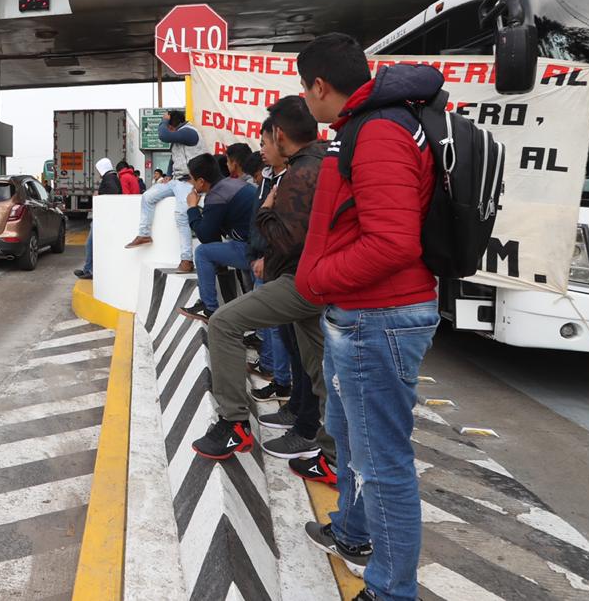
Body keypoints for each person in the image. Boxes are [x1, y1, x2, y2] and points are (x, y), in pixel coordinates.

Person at [295, 33, 441, 599]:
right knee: (352, 440)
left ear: (319, 86)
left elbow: (393, 243)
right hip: (360, 315)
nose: (304, 99)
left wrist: (316, 280)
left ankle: (390, 590)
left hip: (377, 318)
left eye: (304, 89)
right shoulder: (362, 125)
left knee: (382, 463)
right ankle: (354, 533)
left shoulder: (378, 131)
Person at [187, 96, 334, 477]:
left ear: (280, 135)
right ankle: (334, 455)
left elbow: (284, 239)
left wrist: (267, 209)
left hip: (300, 281)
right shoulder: (323, 162)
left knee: (223, 323)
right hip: (317, 280)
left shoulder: (301, 174)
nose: (263, 150)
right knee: (321, 369)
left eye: (265, 141)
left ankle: (233, 423)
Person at [124, 110, 211, 273]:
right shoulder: (179, 136)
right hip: (177, 180)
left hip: (191, 181)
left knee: (181, 216)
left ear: (172, 125)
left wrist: (164, 121)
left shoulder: (189, 132)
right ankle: (144, 234)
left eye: (168, 125)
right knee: (148, 196)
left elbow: (163, 135)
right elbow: (174, 157)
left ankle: (187, 260)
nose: (166, 128)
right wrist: (169, 174)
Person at [244, 125, 293, 402]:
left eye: (265, 144)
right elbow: (257, 220)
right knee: (270, 324)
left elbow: (285, 228)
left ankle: (280, 378)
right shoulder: (266, 178)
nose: (261, 150)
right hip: (260, 259)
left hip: (274, 263)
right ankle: (275, 372)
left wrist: (266, 257)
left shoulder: (290, 180)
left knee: (277, 325)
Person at [177, 153, 256, 321]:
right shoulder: (233, 183)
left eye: (191, 179)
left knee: (202, 252)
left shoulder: (216, 196)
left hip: (254, 250)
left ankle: (209, 308)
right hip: (259, 245)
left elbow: (205, 236)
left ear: (201, 181)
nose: (190, 183)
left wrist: (192, 208)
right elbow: (213, 234)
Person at [74, 157, 122, 280]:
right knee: (92, 244)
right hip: (106, 217)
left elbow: (113, 193)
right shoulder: (113, 177)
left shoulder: (109, 178)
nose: (98, 172)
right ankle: (88, 269)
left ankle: (89, 270)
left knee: (90, 244)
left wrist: (98, 195)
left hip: (103, 218)